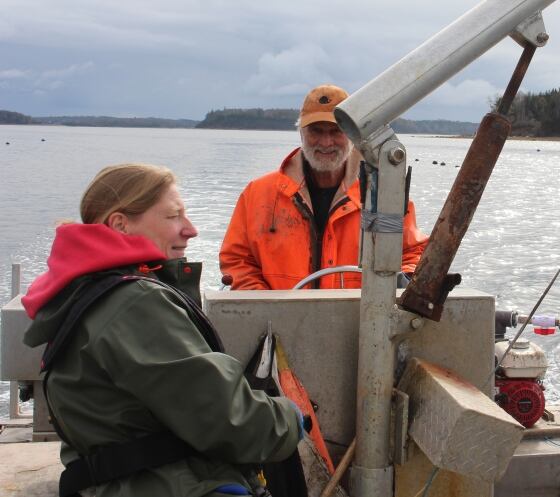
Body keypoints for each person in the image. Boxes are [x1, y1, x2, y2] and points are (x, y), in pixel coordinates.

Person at [22, 164, 302, 497]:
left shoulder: (81, 291)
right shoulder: (134, 303)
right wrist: (288, 419)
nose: (191, 229)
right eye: (173, 217)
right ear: (121, 224)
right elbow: (223, 418)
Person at [220, 84, 428, 290]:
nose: (326, 142)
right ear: (301, 133)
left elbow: (414, 252)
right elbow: (237, 260)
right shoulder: (258, 194)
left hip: (359, 320)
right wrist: (268, 305)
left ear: (352, 135)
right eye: (316, 131)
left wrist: (402, 283)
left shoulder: (381, 195)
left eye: (336, 131)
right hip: (277, 321)